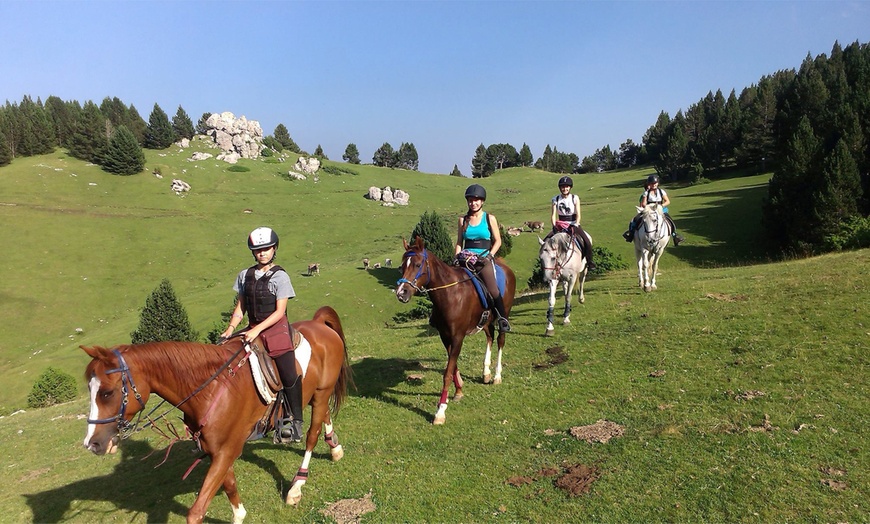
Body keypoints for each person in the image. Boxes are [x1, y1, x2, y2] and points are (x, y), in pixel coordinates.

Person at [220, 227, 303, 442]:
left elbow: (280, 312)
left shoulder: (280, 277)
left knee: (288, 372)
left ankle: (296, 422)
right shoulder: (244, 276)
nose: (262, 253)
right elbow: (241, 308)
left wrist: (256, 329)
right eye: (258, 250)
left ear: (274, 249)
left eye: (266, 249)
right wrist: (230, 329)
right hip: (253, 327)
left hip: (275, 330)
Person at [455, 184, 511, 333]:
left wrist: (489, 255)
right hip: (465, 258)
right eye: (470, 200)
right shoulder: (462, 220)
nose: (473, 203)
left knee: (492, 288)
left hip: (483, 258)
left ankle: (502, 318)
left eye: (476, 200)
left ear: (482, 201)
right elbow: (459, 242)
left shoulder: (489, 218)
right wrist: (456, 256)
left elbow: (498, 241)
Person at [545, 176, 596, 270]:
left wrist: (576, 223)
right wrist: (554, 226)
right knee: (545, 242)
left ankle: (589, 262)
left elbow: (578, 214)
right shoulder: (555, 199)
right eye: (563, 187)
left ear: (570, 187)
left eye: (567, 187)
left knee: (587, 242)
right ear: (560, 188)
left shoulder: (575, 198)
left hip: (573, 223)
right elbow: (553, 215)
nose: (565, 189)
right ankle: (546, 265)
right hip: (560, 224)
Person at [623, 174, 684, 245]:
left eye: (655, 183)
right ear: (649, 184)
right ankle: (631, 234)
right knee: (635, 219)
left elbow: (667, 201)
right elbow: (643, 204)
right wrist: (649, 207)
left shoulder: (662, 192)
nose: (653, 185)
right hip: (649, 210)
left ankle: (675, 236)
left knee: (670, 220)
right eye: (652, 183)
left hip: (660, 210)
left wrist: (661, 206)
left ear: (657, 183)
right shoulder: (646, 193)